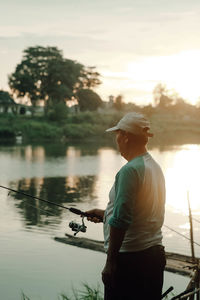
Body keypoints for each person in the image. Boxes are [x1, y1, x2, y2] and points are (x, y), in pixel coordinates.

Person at [85, 112, 166, 300]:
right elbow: (143, 212)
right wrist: (105, 214)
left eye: (117, 134)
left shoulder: (130, 171)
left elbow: (121, 220)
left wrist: (111, 262)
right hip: (153, 257)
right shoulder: (154, 166)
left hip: (130, 261)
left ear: (126, 137)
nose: (116, 139)